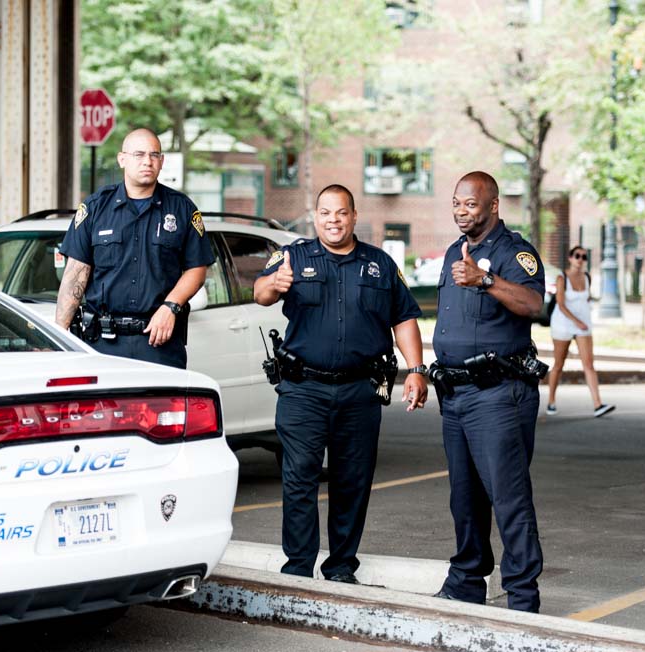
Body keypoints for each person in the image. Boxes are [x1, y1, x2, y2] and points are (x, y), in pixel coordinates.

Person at [253, 184, 428, 584]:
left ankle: (341, 568)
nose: (333, 220)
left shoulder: (379, 265)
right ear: (316, 218)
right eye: (325, 213)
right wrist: (273, 285)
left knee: (353, 481)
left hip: (359, 391)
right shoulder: (293, 256)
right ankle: (298, 569)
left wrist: (416, 369)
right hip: (303, 389)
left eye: (341, 212)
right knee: (300, 478)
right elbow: (260, 292)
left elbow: (403, 318)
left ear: (353, 216)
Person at [430, 171, 545, 613]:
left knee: (508, 497)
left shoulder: (515, 252)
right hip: (456, 395)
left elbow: (534, 305)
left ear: (493, 206)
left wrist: (485, 281)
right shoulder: (451, 254)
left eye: (470, 204)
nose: (461, 211)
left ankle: (522, 596)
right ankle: (466, 582)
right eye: (456, 203)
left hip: (498, 393)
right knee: (465, 497)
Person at [55, 128, 214, 369]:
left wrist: (170, 307)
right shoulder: (95, 208)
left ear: (161, 162)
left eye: (153, 155)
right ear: (122, 159)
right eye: (138, 154)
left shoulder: (182, 209)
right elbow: (76, 273)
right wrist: (59, 334)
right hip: (102, 344)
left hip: (160, 340)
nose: (147, 161)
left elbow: (197, 269)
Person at [545, 246, 614, 417]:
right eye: (577, 256)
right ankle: (551, 401)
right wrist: (577, 321)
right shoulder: (563, 278)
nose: (580, 259)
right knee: (559, 365)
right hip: (563, 324)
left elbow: (586, 298)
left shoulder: (587, 277)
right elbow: (560, 304)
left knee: (589, 364)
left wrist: (585, 317)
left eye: (584, 257)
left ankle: (598, 404)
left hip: (583, 325)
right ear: (570, 258)